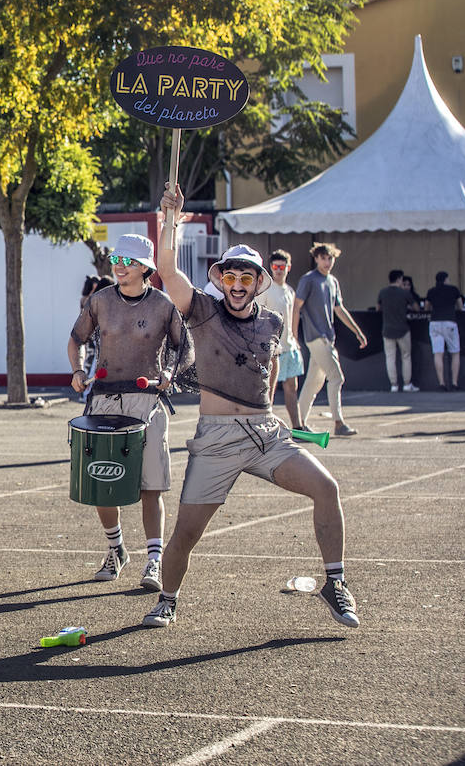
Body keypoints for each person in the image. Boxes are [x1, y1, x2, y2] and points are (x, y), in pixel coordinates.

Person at [143, 186, 359, 630]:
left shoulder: (273, 321)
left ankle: (334, 583)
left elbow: (269, 370)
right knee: (186, 533)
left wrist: (279, 416)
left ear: (260, 282)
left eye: (247, 279)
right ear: (221, 280)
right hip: (217, 438)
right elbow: (166, 268)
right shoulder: (202, 311)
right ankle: (167, 598)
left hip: (265, 433)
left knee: (327, 488)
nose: (238, 286)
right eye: (231, 278)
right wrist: (172, 219)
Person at [66, 234, 184, 593]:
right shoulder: (99, 301)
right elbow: (76, 339)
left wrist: (169, 375)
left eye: (127, 260)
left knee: (151, 487)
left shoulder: (164, 305)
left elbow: (185, 350)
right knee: (103, 486)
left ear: (146, 268)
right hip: (103, 400)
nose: (119, 265)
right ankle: (116, 549)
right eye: (117, 258)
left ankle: (153, 560)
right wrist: (77, 371)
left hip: (147, 403)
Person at [294, 242, 367, 437]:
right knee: (336, 377)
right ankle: (338, 423)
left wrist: (357, 331)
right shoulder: (308, 280)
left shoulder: (332, 281)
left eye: (330, 258)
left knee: (313, 383)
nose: (327, 262)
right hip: (316, 337)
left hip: (327, 337)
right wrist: (294, 334)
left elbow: (339, 309)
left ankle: (298, 425)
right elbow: (296, 306)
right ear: (316, 258)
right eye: (323, 258)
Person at [257, 250, 304, 427]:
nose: (278, 270)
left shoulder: (290, 291)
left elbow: (292, 317)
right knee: (269, 392)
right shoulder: (266, 290)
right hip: (271, 350)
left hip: (289, 346)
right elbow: (258, 317)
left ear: (288, 268)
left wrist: (295, 339)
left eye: (281, 267)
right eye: (275, 266)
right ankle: (265, 426)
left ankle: (298, 426)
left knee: (292, 389)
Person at [377, 268, 420, 393]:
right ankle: (407, 384)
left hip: (387, 329)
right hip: (403, 329)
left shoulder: (383, 292)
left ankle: (394, 385)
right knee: (406, 356)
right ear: (399, 279)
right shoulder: (404, 293)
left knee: (390, 358)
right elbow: (416, 308)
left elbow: (378, 308)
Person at [426, 271, 463, 391]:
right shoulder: (453, 290)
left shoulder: (431, 291)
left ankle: (441, 383)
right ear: (446, 279)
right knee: (455, 352)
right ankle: (454, 383)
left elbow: (427, 307)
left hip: (435, 323)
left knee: (438, 353)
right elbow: (460, 306)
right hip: (449, 322)